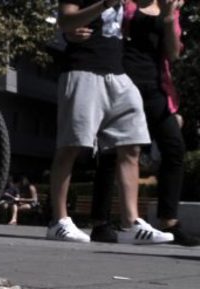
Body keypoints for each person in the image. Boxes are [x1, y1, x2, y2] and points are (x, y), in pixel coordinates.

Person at [46, 0, 172, 244]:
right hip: (83, 70)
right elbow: (66, 20)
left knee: (132, 144)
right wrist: (103, 4)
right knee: (71, 146)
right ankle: (58, 221)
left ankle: (131, 223)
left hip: (118, 75)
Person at [87, 0, 195, 245]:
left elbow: (174, 53)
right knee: (112, 151)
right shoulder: (126, 5)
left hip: (155, 88)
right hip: (123, 80)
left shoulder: (170, 10)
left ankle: (169, 221)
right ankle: (100, 223)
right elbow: (105, 30)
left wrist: (168, 18)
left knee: (174, 147)